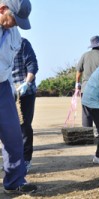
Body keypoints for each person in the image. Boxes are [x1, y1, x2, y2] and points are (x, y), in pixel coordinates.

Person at [0, 0, 37, 194]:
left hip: (3, 87)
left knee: (14, 135)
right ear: (2, 9)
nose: (15, 24)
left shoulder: (15, 33)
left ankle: (15, 181)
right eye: (14, 18)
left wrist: (13, 88)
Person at [12, 37, 39, 173]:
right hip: (7, 90)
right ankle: (12, 160)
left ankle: (26, 160)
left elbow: (32, 64)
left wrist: (27, 83)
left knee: (24, 126)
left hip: (24, 91)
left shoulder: (22, 43)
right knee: (7, 128)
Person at [76, 35, 99, 128]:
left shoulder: (84, 55)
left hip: (85, 88)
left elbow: (79, 71)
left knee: (86, 114)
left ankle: (87, 134)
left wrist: (77, 84)